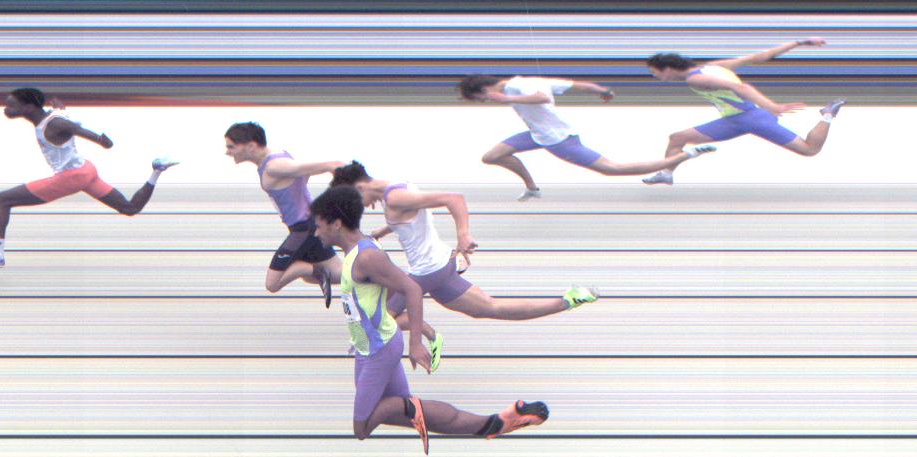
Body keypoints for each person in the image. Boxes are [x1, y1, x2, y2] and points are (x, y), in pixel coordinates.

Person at [310, 185, 551, 454]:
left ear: (336, 224)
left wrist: (415, 343)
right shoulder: (357, 252)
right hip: (369, 347)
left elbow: (411, 288)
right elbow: (377, 296)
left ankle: (410, 407)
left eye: (318, 226)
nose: (316, 232)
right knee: (398, 413)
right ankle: (496, 423)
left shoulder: (367, 256)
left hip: (379, 350)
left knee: (363, 427)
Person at [331, 161, 599, 335]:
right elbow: (412, 218)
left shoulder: (396, 197)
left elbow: (454, 199)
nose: (357, 206)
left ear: (359, 187)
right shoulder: (397, 187)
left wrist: (463, 235)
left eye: (352, 199)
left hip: (425, 271)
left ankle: (424, 334)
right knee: (489, 308)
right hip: (439, 265)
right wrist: (385, 230)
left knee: (380, 322)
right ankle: (568, 300)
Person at [0, 88, 177, 268]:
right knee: (130, 208)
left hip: (69, 178)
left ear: (29, 107)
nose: (6, 109)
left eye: (11, 106)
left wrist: (100, 140)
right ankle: (157, 170)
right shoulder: (52, 116)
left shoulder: (54, 123)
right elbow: (63, 115)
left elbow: (73, 128)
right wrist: (60, 107)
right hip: (86, 171)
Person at [457, 75, 716, 200]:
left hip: (557, 138)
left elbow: (542, 98)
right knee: (492, 156)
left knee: (612, 169)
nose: (484, 101)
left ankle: (685, 155)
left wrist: (507, 99)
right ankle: (532, 188)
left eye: (481, 98)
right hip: (537, 135)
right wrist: (602, 90)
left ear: (484, 88)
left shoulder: (516, 87)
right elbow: (576, 85)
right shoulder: (527, 79)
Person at [642, 38, 846, 185]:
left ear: (667, 68)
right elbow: (760, 57)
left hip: (747, 119)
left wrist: (771, 106)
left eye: (655, 72)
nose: (655, 77)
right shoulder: (713, 66)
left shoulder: (695, 79)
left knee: (809, 149)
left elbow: (741, 88)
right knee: (677, 138)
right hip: (742, 119)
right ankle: (666, 173)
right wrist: (798, 43)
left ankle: (827, 115)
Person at [224, 122, 343, 307]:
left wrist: (343, 174)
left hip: (304, 229)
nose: (227, 152)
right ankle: (378, 273)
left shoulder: (275, 166)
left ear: (251, 146)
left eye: (231, 147)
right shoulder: (278, 156)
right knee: (341, 275)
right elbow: (302, 174)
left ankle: (314, 270)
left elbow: (328, 165)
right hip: (310, 224)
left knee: (273, 283)